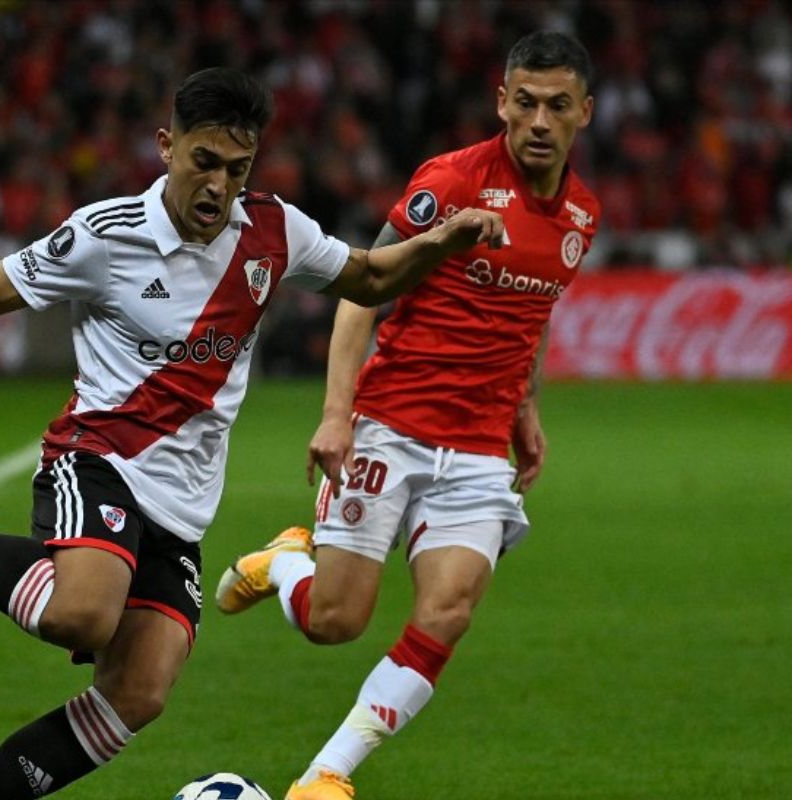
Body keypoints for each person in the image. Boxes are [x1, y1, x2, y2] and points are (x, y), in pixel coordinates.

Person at [0, 67, 503, 800]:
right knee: (83, 614)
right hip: (98, 461)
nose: (218, 186)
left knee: (139, 694)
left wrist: (444, 239)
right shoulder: (104, 236)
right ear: (167, 146)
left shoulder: (275, 230)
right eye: (204, 163)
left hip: (182, 508)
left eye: (237, 169)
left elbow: (372, 279)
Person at [215, 32, 599, 800]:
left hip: (482, 449)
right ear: (501, 102)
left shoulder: (582, 216)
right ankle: (285, 560)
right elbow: (364, 287)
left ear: (584, 113)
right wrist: (336, 414)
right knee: (336, 622)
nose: (539, 121)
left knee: (448, 610)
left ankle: (327, 774)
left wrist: (528, 408)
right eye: (524, 103)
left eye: (558, 106)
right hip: (391, 425)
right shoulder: (452, 182)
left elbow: (535, 313)